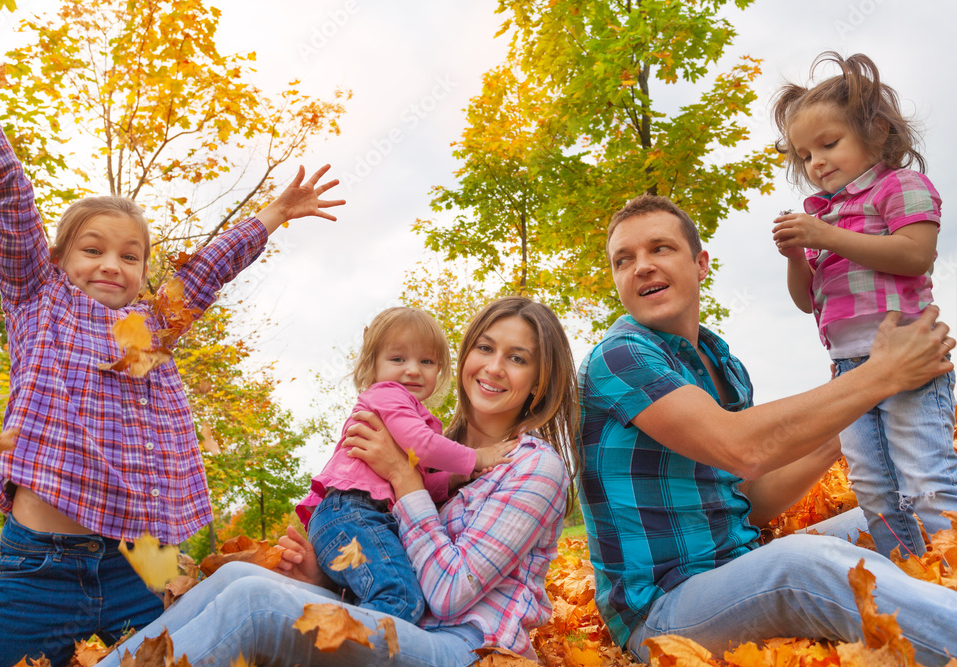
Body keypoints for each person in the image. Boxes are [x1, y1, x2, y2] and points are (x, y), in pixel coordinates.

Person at [0, 47, 344, 666]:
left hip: (134, 560)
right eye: (92, 249)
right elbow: (6, 192)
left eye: (131, 256)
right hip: (36, 568)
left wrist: (274, 213)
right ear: (56, 260)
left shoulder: (149, 328)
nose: (112, 264)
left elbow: (207, 272)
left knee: (170, 657)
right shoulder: (37, 297)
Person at [577, 194, 957, 665]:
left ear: (700, 264)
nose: (642, 267)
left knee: (908, 511)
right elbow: (740, 447)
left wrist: (858, 419)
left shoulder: (725, 365)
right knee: (798, 565)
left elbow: (749, 497)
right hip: (663, 612)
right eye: (624, 260)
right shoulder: (619, 357)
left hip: (738, 570)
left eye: (660, 249)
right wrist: (880, 375)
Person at [97, 296, 579, 667]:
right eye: (486, 348)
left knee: (254, 603)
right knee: (238, 576)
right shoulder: (434, 450)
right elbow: (391, 559)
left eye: (518, 358)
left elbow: (450, 593)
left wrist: (401, 475)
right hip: (405, 623)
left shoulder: (533, 468)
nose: (494, 367)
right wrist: (324, 576)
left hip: (464, 648)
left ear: (539, 380)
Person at [771, 51, 957, 558]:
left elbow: (915, 256)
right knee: (873, 487)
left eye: (829, 144)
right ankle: (913, 574)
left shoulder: (901, 186)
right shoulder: (823, 217)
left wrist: (825, 234)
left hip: (908, 354)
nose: (818, 163)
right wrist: (797, 256)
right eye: (806, 155)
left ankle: (950, 571)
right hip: (848, 369)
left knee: (925, 478)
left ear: (875, 131)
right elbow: (807, 301)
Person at [295, 306, 515, 623]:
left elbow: (412, 481)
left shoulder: (409, 411)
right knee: (399, 599)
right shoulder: (387, 394)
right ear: (373, 367)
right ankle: (322, 646)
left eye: (426, 361)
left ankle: (327, 635)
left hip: (357, 515)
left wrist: (451, 480)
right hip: (355, 512)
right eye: (398, 359)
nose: (413, 370)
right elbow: (421, 447)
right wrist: (477, 457)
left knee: (378, 596)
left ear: (439, 369)